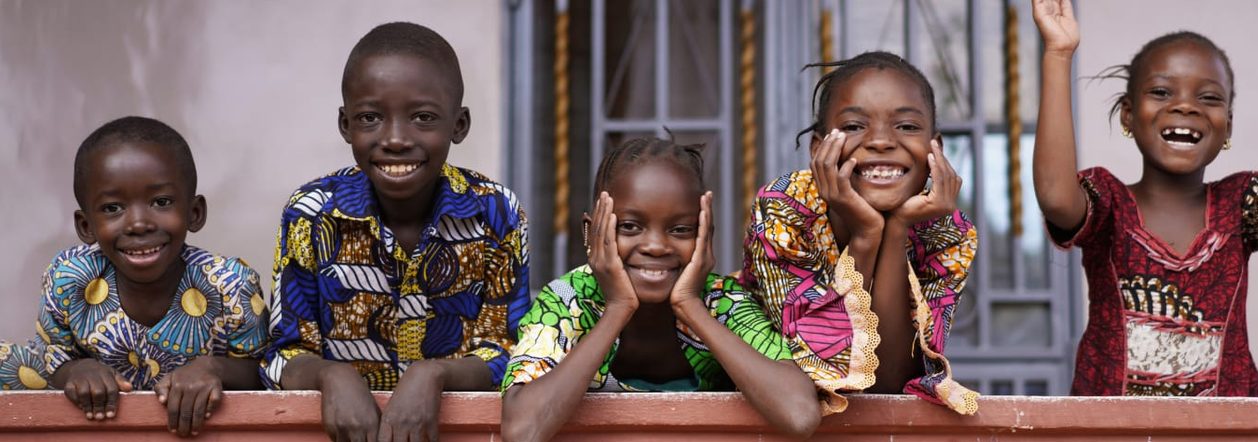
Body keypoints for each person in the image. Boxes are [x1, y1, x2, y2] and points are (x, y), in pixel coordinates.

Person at [1032, 0, 1258, 395]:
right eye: (1160, 91)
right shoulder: (1108, 203)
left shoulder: (1240, 205)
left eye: (1209, 98)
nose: (1185, 106)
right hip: (1113, 430)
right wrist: (1058, 54)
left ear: (1227, 127)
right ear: (1128, 115)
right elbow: (1056, 196)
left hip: (1223, 433)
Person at [261, 22, 530, 441]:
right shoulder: (310, 215)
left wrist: (434, 375)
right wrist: (332, 376)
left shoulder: (497, 212)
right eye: (371, 118)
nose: (396, 139)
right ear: (345, 124)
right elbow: (282, 353)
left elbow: (509, 351)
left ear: (459, 125)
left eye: (423, 117)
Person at [500, 137, 821, 442]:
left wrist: (691, 305)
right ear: (592, 231)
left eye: (680, 230)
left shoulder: (723, 300)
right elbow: (523, 429)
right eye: (630, 226)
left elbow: (799, 415)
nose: (655, 246)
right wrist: (617, 308)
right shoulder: (569, 299)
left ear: (705, 235)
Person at [741, 52, 978, 415]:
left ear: (936, 149)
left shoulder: (947, 234)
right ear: (819, 149)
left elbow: (888, 381)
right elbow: (825, 363)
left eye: (907, 126)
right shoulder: (784, 210)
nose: (881, 141)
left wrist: (896, 229)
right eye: (854, 126)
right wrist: (867, 234)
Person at [0, 116, 267, 437]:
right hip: (100, 421)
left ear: (194, 213)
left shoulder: (231, 283)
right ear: (86, 226)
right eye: (112, 208)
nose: (138, 223)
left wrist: (213, 368)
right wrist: (76, 369)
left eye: (161, 202)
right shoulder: (69, 276)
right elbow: (51, 357)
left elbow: (264, 371)